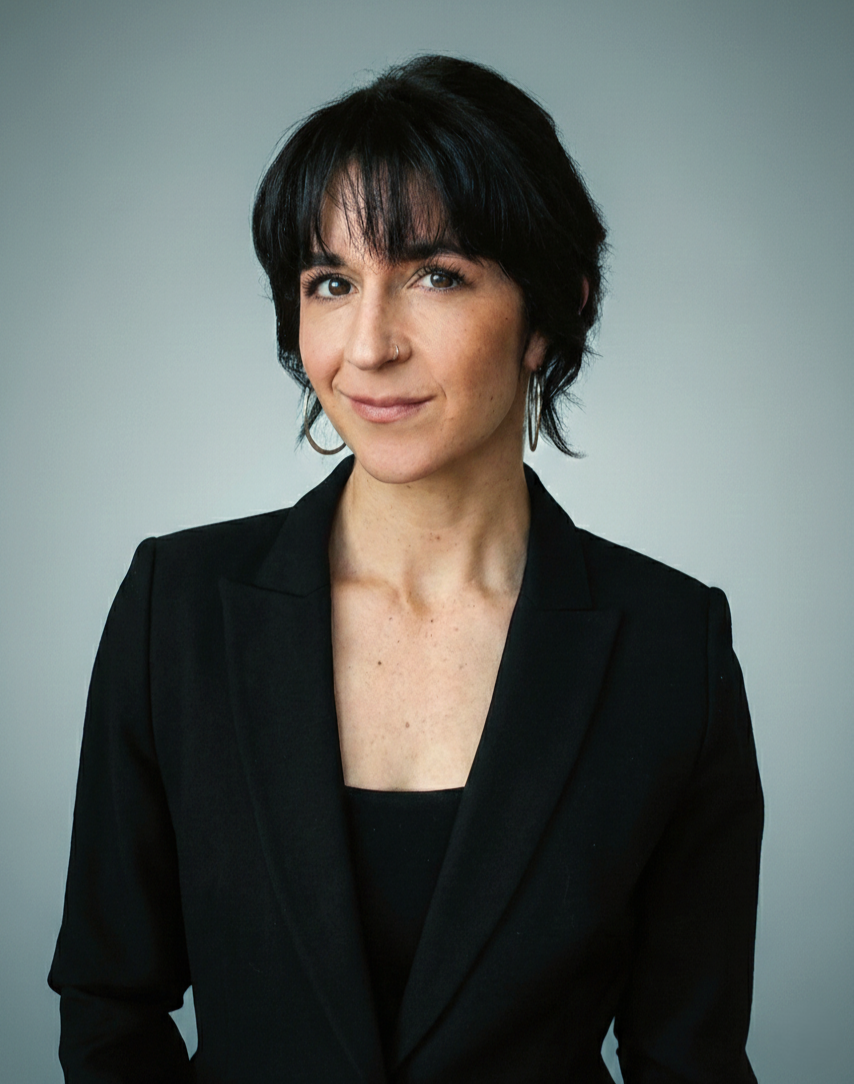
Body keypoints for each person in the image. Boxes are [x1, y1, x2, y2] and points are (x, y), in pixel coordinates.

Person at [49, 55, 763, 1083]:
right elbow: (110, 1005)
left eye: (435, 275)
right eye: (330, 283)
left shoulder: (669, 643)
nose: (369, 344)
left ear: (553, 310)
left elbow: (687, 1057)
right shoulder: (179, 606)